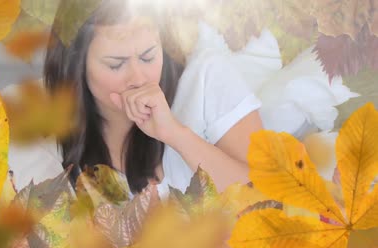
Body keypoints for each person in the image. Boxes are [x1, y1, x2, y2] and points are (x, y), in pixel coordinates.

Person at [43, 0, 264, 197]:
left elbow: (266, 198)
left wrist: (175, 134)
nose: (138, 78)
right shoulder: (46, 139)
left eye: (148, 57)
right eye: (116, 64)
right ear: (76, 66)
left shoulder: (207, 78)